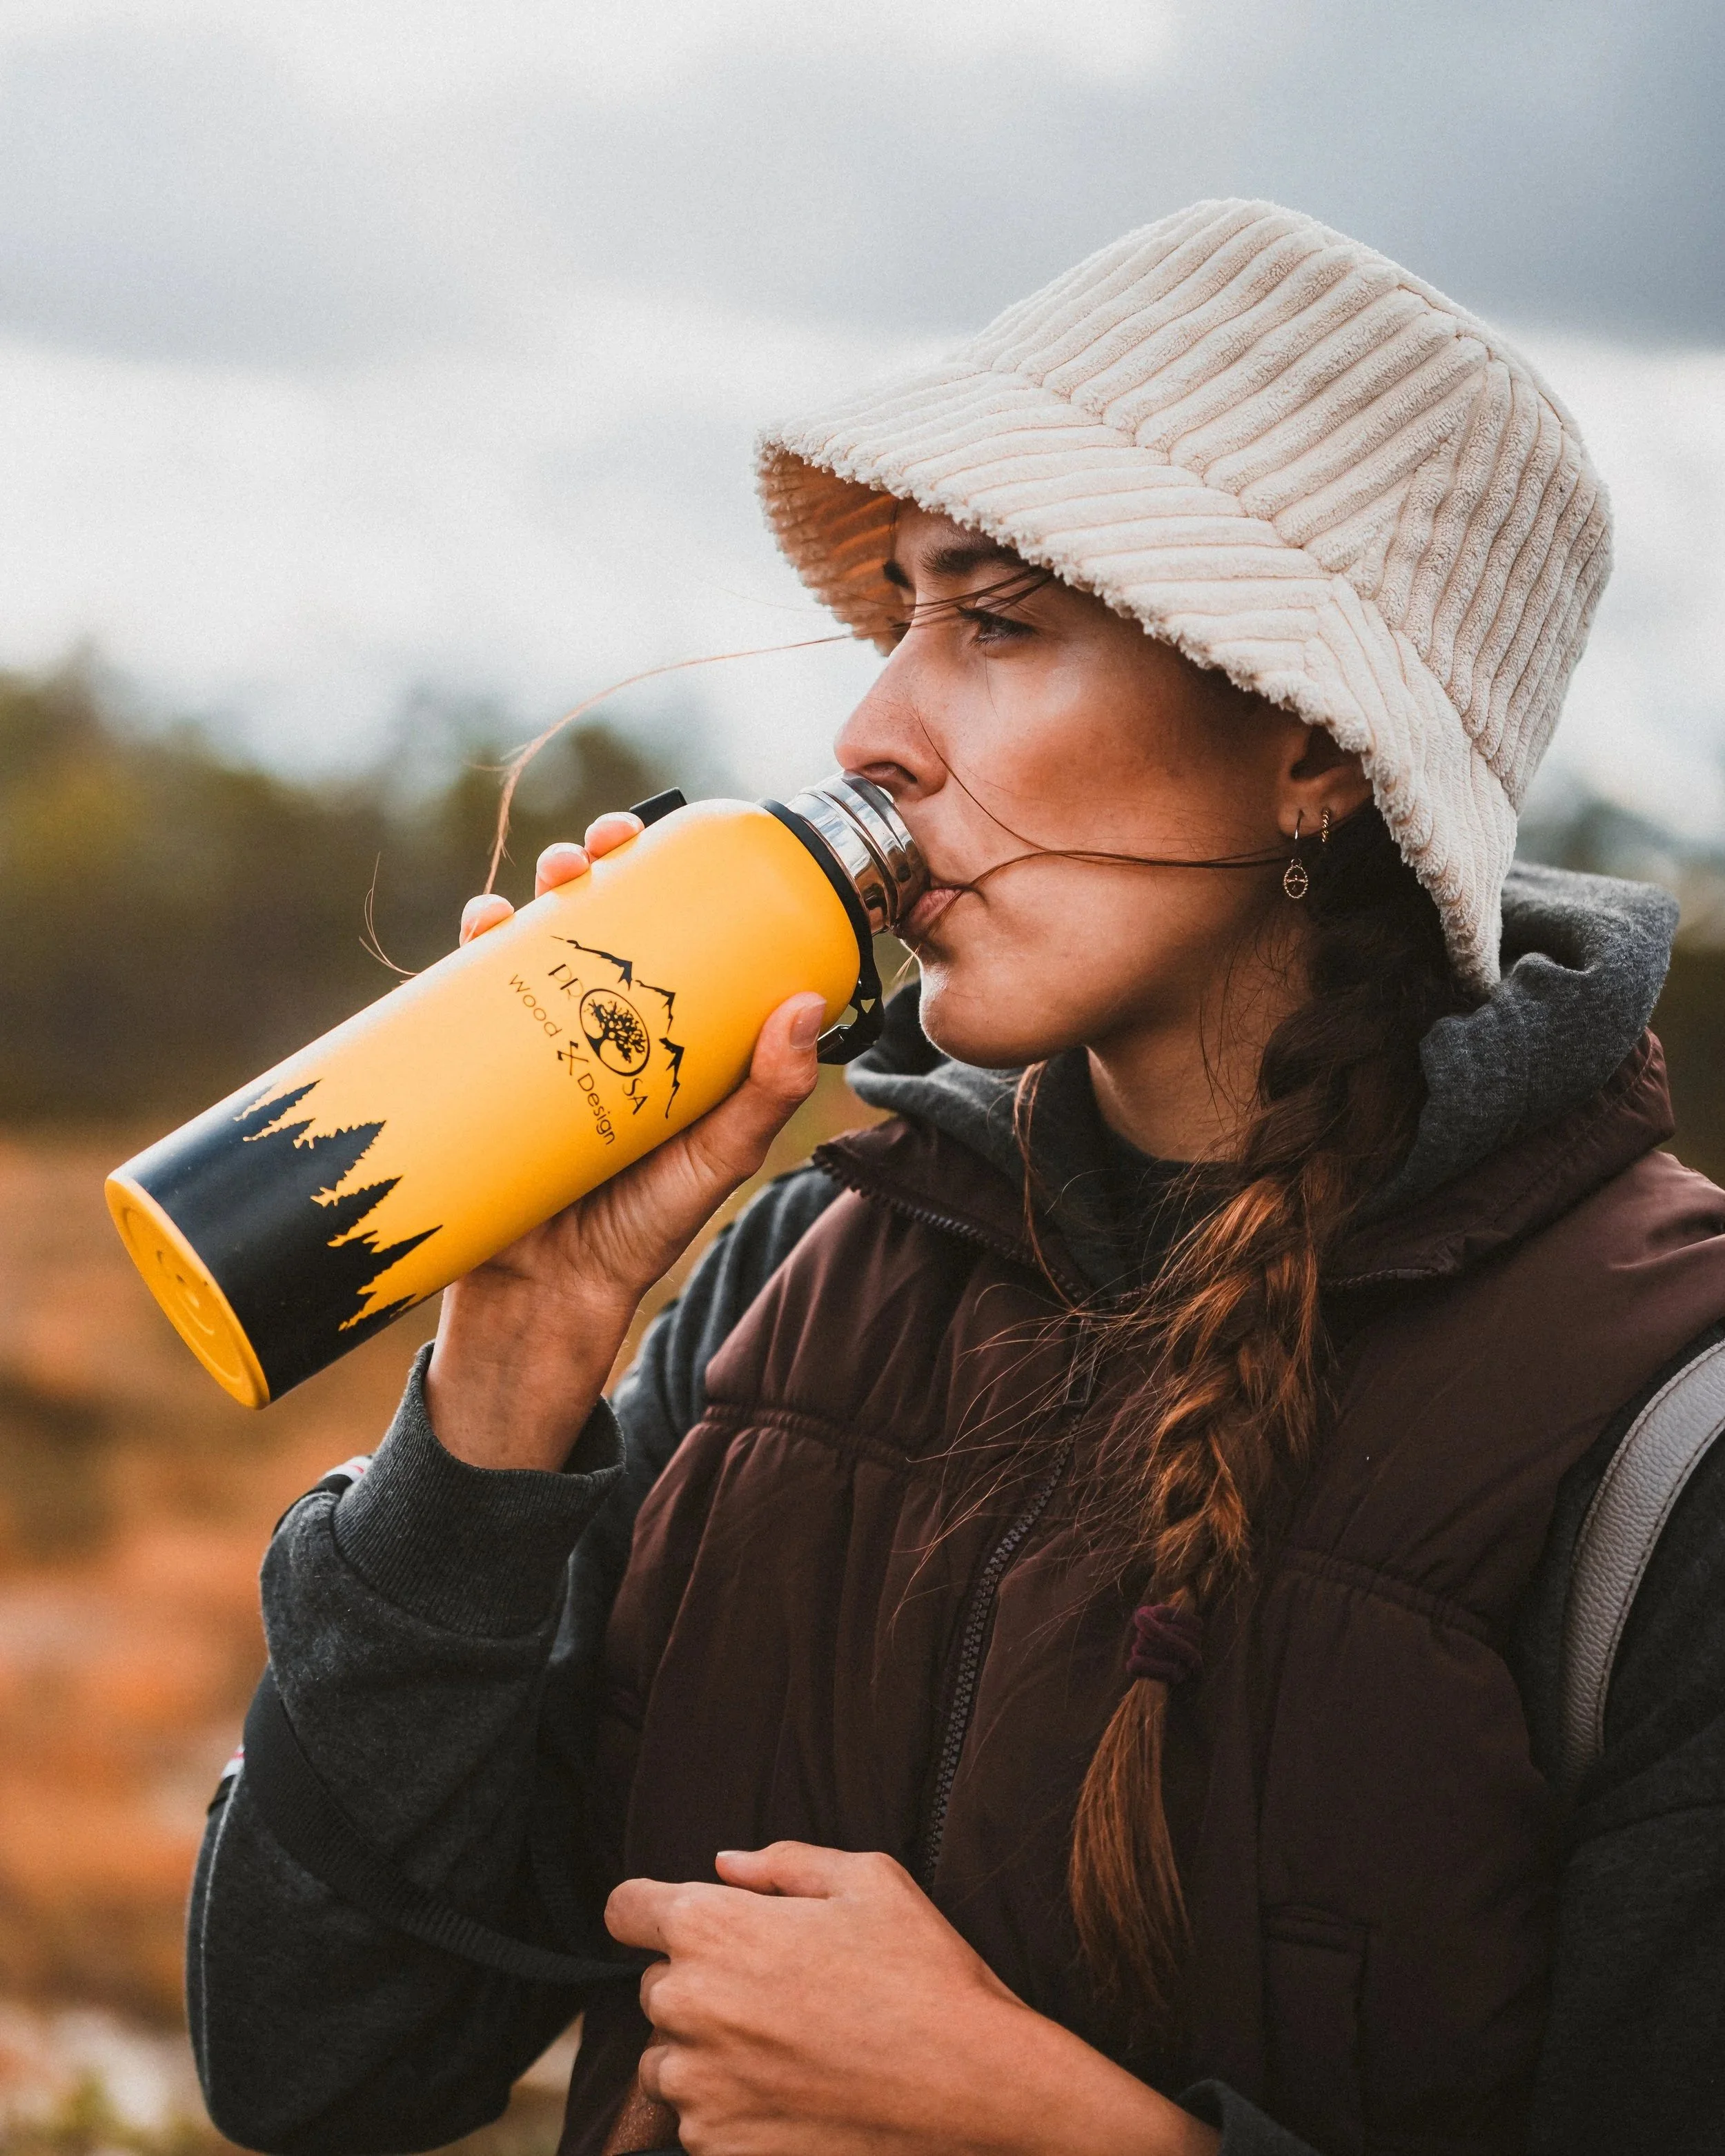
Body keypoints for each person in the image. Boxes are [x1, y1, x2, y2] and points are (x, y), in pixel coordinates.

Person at [188, 200, 1725, 2156]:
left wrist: (1063, 2131)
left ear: (1318, 751)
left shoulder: (1662, 1442)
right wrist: (514, 1363)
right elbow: (314, 2065)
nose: (868, 729)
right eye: (899, 611)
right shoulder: (790, 1286)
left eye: (995, 621)